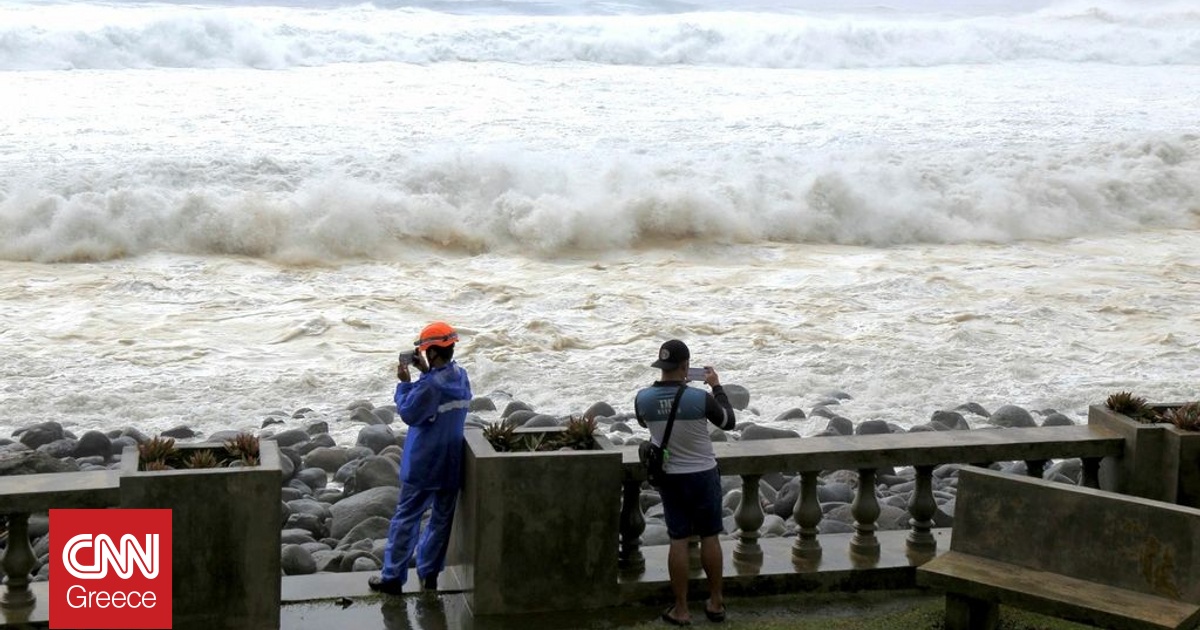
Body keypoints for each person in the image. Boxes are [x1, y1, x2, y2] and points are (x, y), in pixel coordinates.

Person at [634, 339, 736, 626]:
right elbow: (728, 421)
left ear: (661, 365)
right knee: (710, 536)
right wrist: (716, 386)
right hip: (703, 474)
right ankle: (715, 602)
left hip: (670, 477)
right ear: (686, 366)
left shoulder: (642, 399)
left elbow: (644, 423)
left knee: (678, 540)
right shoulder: (700, 399)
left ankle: (681, 609)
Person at [369, 321, 472, 596]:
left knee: (406, 519)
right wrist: (425, 372)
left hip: (424, 463)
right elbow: (440, 390)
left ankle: (392, 577)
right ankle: (429, 574)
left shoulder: (430, 387)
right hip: (451, 462)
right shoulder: (461, 376)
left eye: (426, 351)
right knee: (441, 521)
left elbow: (410, 413)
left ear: (433, 352)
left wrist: (404, 384)